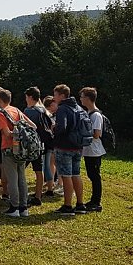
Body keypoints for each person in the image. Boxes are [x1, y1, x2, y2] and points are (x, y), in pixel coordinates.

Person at [0, 88, 36, 217]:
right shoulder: (17, 110)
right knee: (21, 178)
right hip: (22, 150)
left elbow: (7, 134)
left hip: (9, 149)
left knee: (12, 179)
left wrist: (15, 134)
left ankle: (14, 207)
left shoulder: (1, 114)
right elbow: (33, 126)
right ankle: (24, 207)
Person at [52, 84, 86, 216]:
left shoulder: (62, 108)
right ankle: (80, 204)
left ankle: (67, 206)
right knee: (76, 174)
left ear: (62, 95)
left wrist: (55, 128)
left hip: (65, 146)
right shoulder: (78, 107)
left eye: (55, 95)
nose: (54, 98)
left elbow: (62, 127)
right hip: (78, 146)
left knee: (66, 176)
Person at [22, 87, 50, 206]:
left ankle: (21, 194)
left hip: (29, 145)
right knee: (39, 170)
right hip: (41, 144)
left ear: (30, 97)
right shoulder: (43, 110)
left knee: (20, 169)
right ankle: (38, 196)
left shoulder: (29, 111)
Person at [79, 87, 105, 212]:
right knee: (91, 174)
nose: (81, 99)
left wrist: (84, 132)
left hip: (94, 150)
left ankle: (96, 202)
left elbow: (97, 134)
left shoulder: (96, 115)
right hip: (89, 150)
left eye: (82, 97)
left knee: (95, 176)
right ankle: (93, 200)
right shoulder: (89, 113)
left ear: (88, 98)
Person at [42, 96, 63, 198]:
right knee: (52, 162)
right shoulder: (52, 115)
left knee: (56, 163)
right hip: (54, 142)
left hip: (57, 142)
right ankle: (53, 181)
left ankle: (60, 183)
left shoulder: (57, 114)